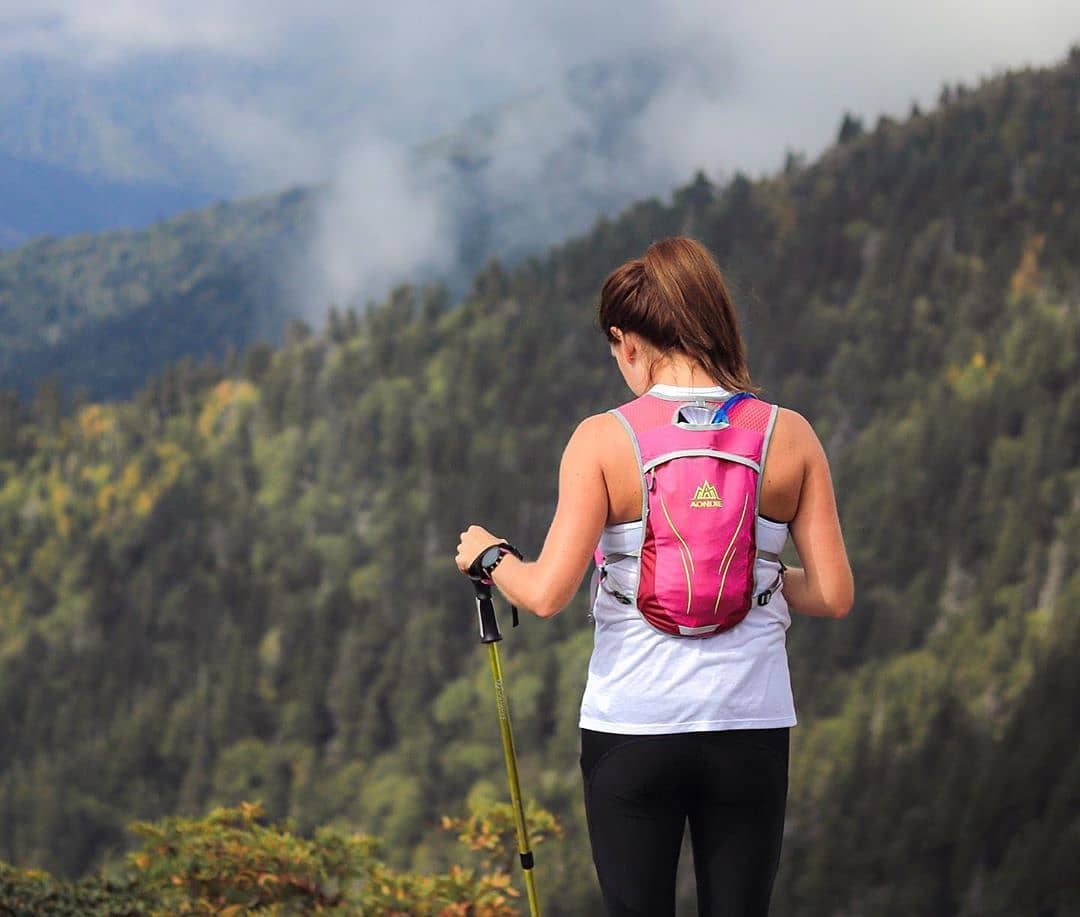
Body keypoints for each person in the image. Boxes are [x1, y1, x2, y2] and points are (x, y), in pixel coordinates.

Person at [455, 236, 854, 917]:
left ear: (627, 339)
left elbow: (547, 592)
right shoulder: (790, 435)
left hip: (633, 725)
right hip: (749, 725)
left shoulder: (602, 439)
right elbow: (834, 594)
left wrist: (490, 556)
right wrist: (755, 573)